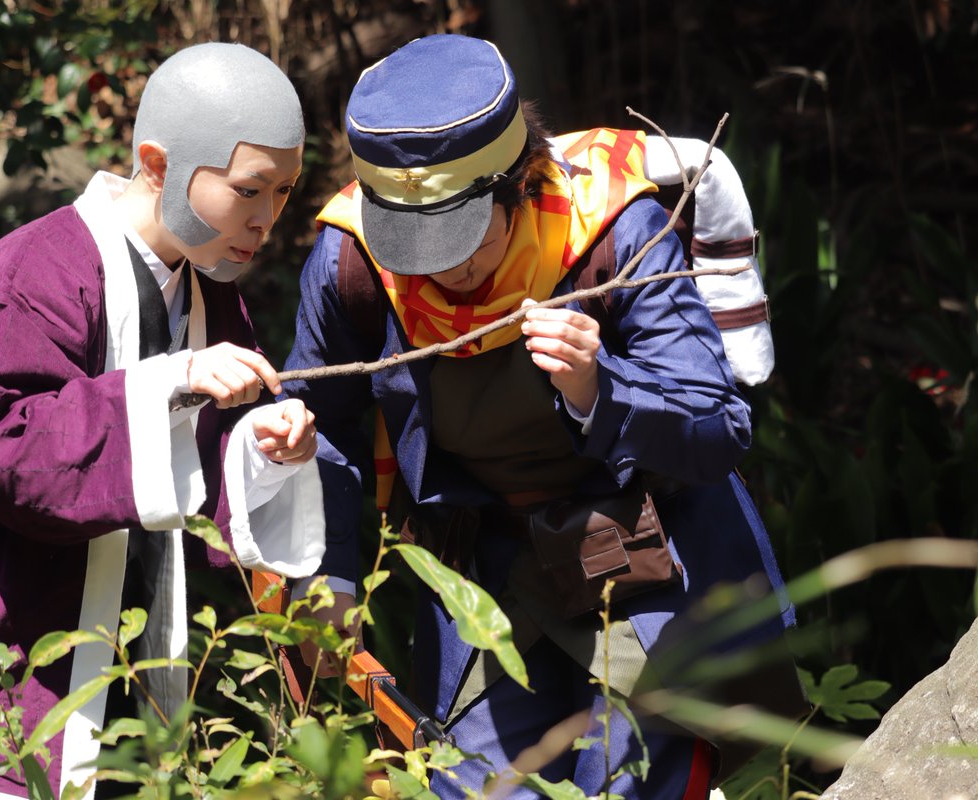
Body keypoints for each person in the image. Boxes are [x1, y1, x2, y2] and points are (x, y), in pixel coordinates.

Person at [285, 34, 800, 798]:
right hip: (483, 572)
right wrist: (325, 575)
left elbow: (718, 426)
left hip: (644, 560)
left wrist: (601, 388)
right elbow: (319, 426)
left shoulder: (614, 232)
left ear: (520, 183)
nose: (439, 267)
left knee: (633, 779)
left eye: (460, 238)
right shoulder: (352, 261)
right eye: (413, 244)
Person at [0, 42, 329, 799]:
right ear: (156, 164)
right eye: (249, 189)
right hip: (1, 679)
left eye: (284, 191)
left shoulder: (209, 294)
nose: (268, 219)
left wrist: (262, 449)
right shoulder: (33, 275)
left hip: (136, 689)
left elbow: (191, 478)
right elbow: (4, 450)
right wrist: (170, 382)